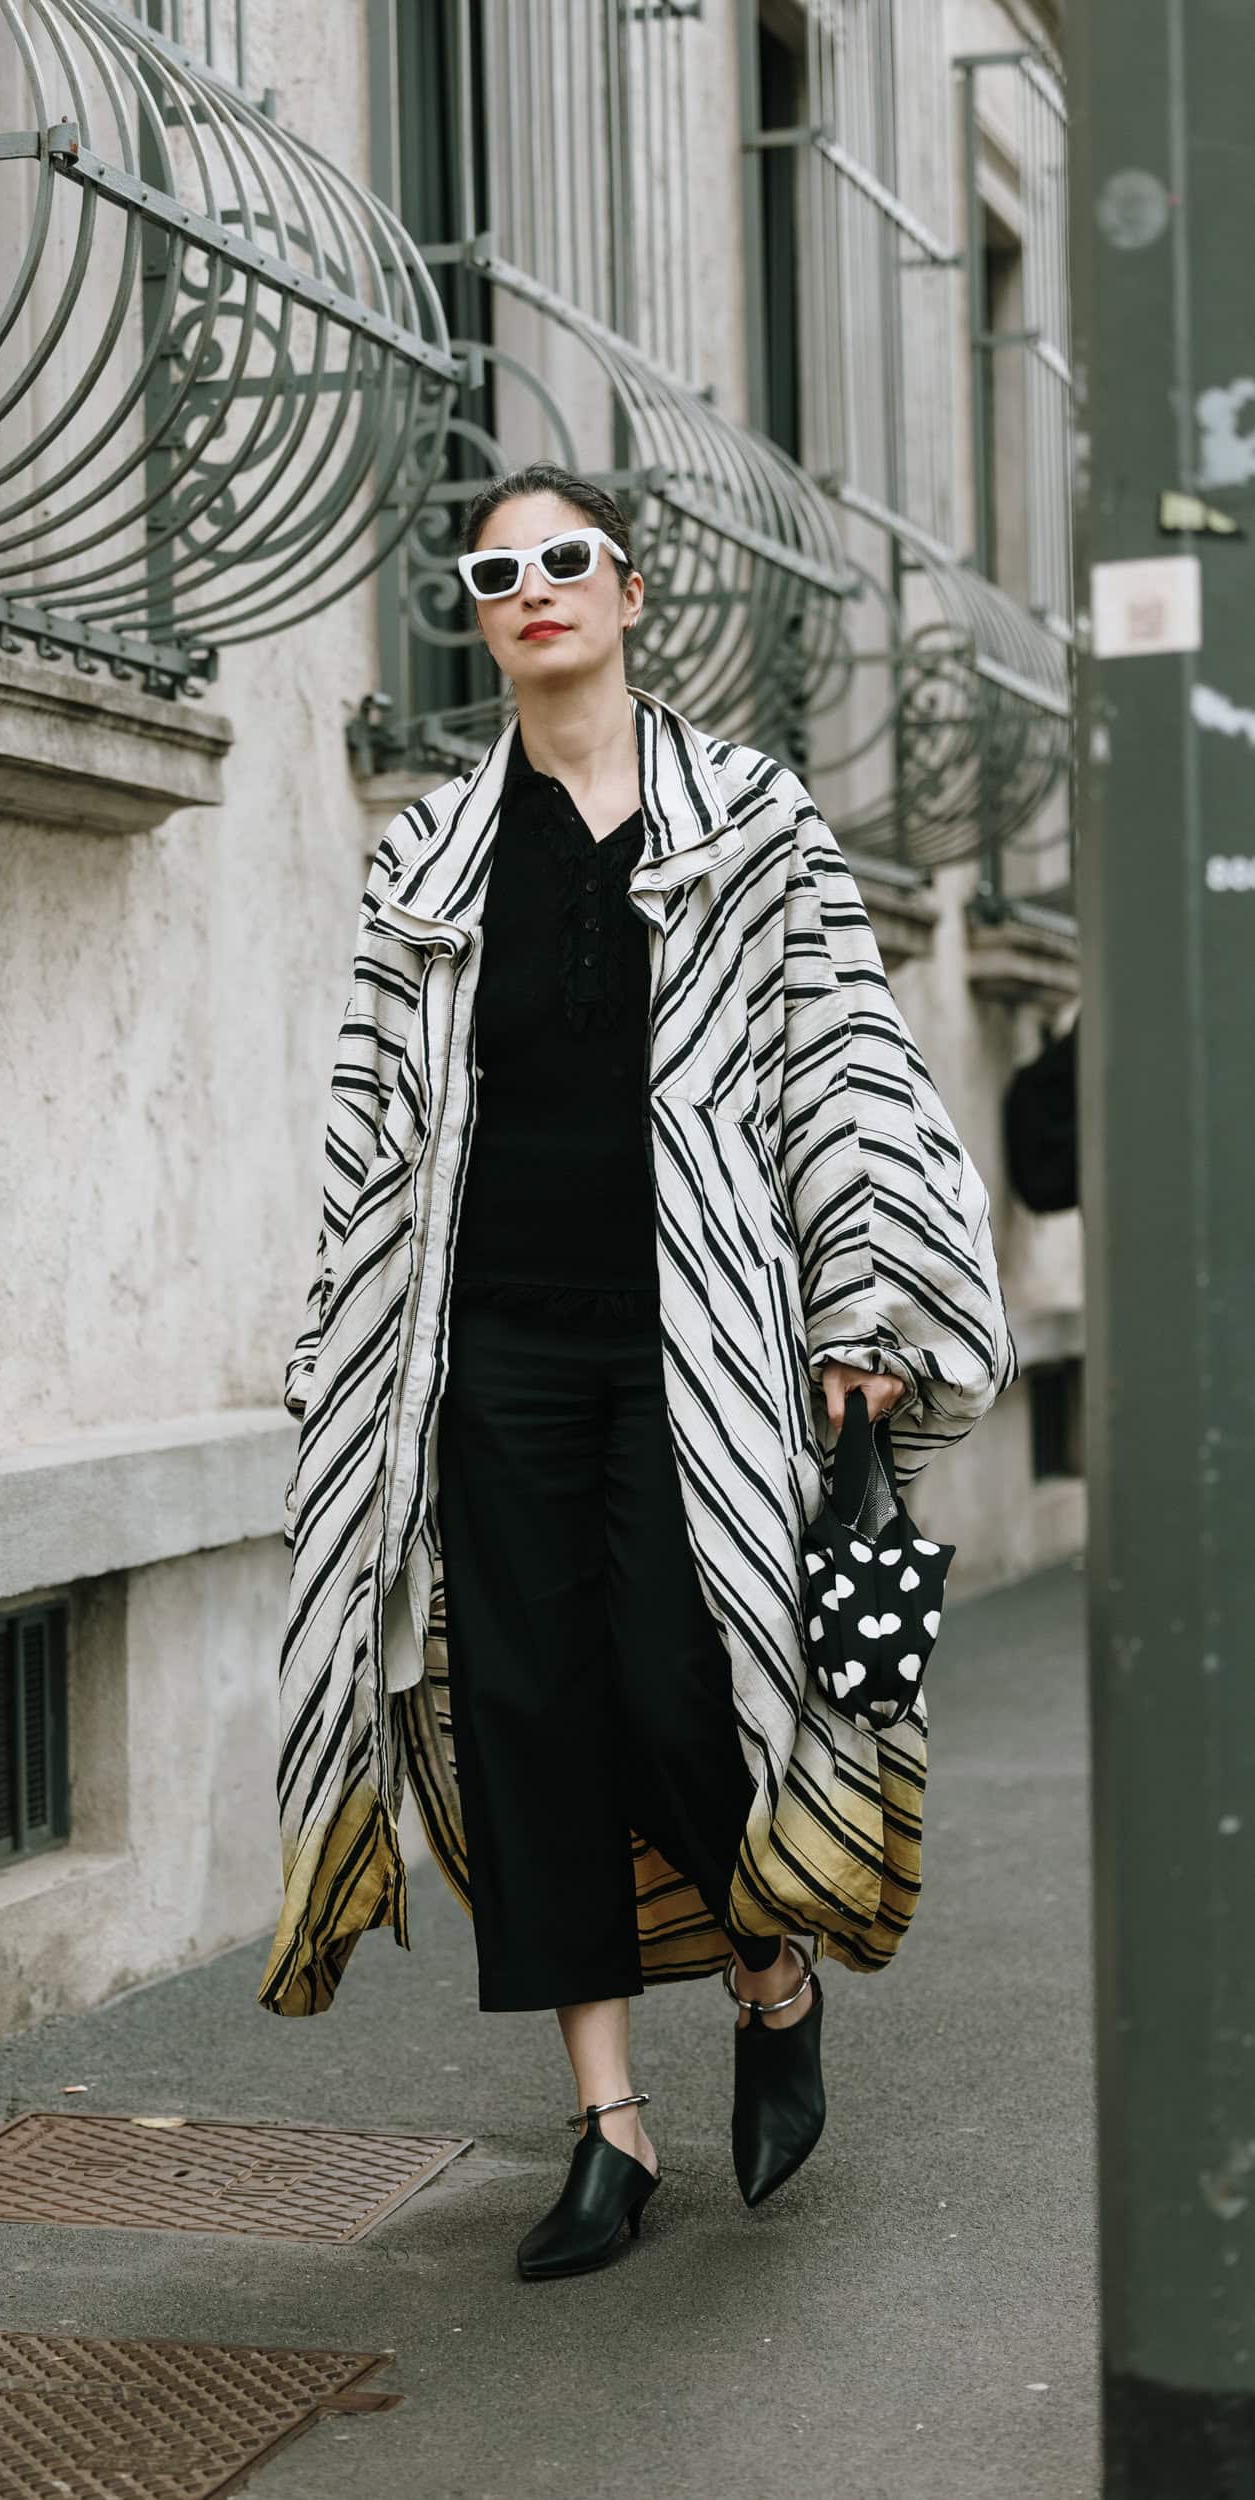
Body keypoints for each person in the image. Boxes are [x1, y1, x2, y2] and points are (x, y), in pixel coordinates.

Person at [260, 462, 1016, 2283]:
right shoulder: (428, 858)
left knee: (690, 1686)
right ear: (479, 616)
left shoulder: (753, 821)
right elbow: (371, 1125)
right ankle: (607, 2124)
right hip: (486, 1347)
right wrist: (334, 1346)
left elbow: (841, 1066)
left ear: (630, 589)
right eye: (496, 573)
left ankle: (770, 1974)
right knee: (524, 1712)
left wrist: (860, 1310)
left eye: (564, 560)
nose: (532, 590)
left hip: (704, 1343)